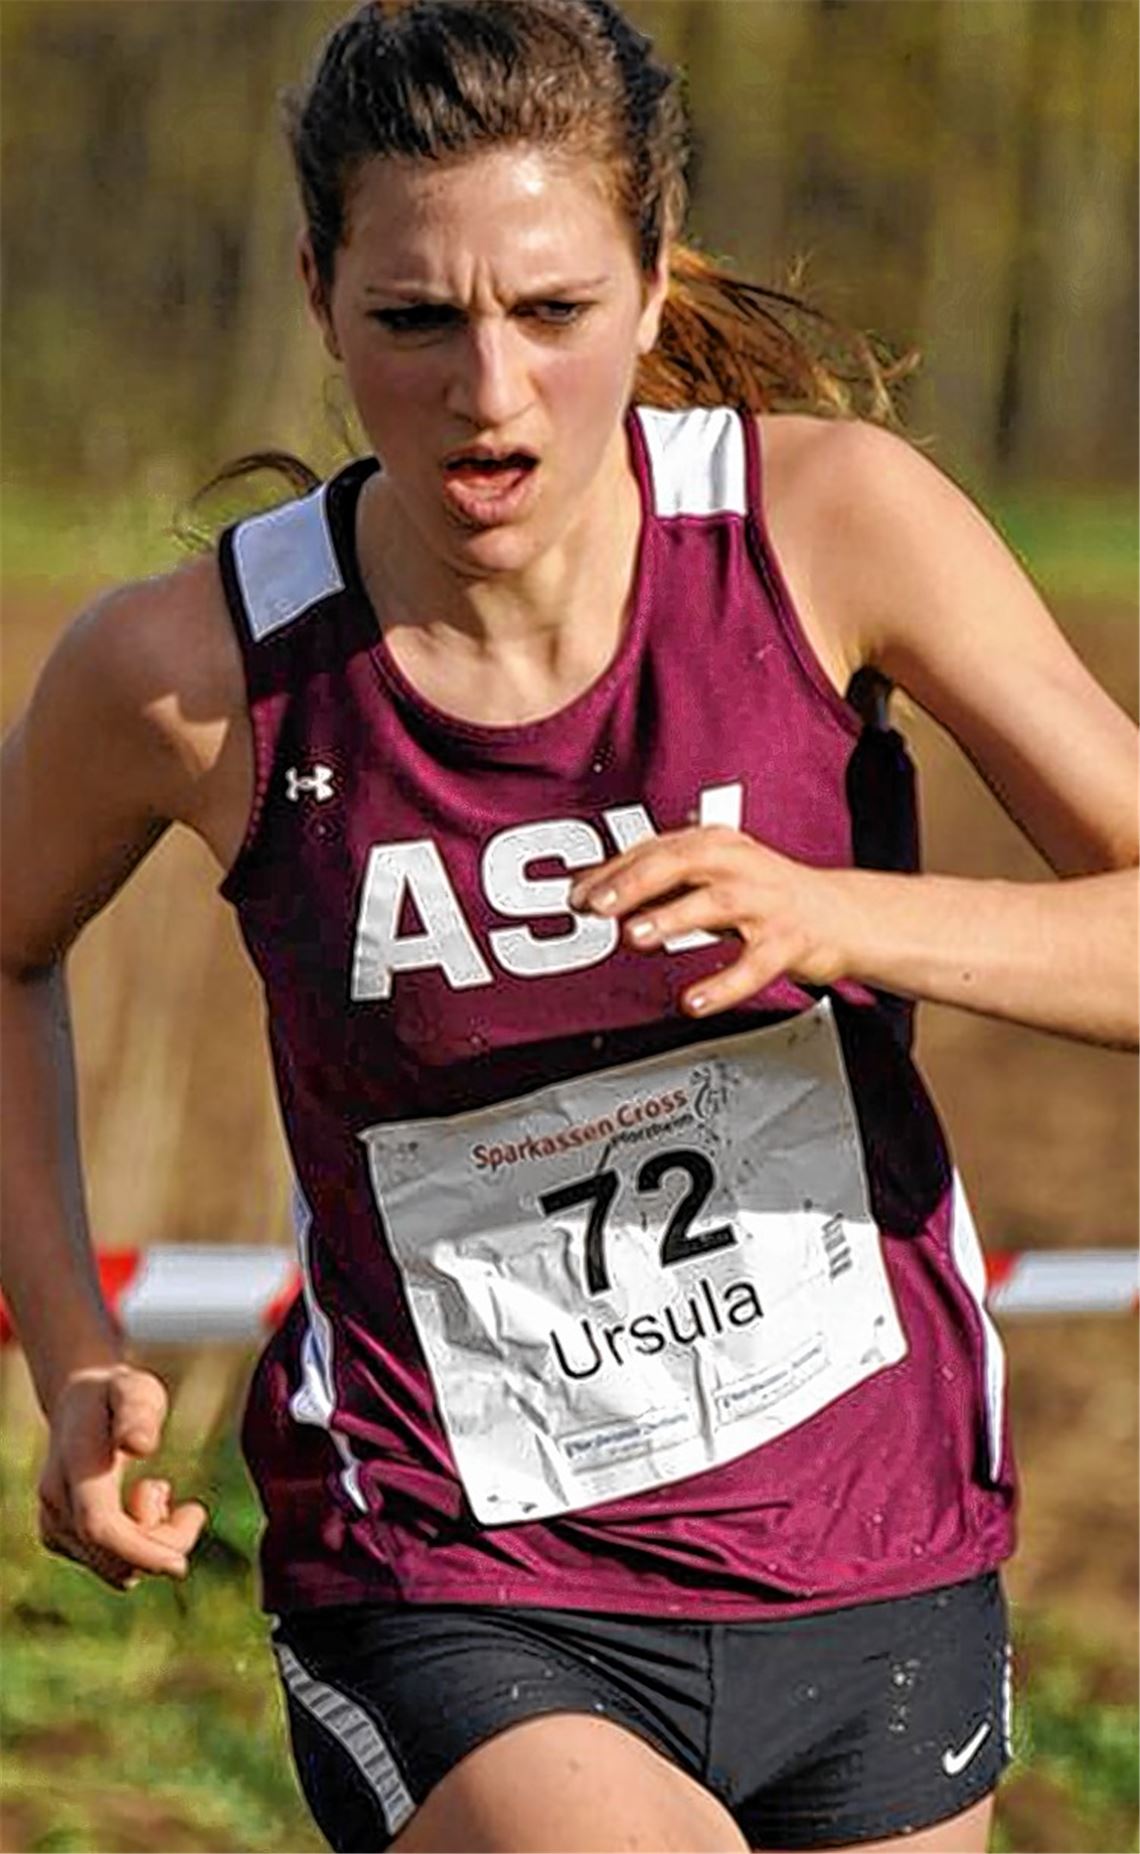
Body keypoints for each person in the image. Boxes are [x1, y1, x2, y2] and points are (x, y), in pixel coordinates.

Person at [2, 1, 1136, 1850]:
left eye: (552, 311)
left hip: (872, 1547)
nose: (491, 391)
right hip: (457, 1572)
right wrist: (70, 1350)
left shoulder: (831, 530)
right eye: (415, 321)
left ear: (650, 274)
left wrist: (843, 911)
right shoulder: (194, 671)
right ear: (314, 292)